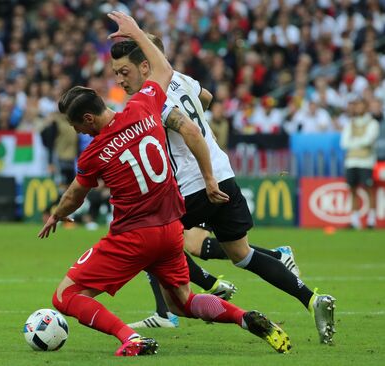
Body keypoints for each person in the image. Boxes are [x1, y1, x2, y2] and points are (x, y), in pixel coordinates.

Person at [39, 11, 291, 357]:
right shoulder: (143, 107)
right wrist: (138, 33)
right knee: (183, 303)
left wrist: (56, 214)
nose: (76, 132)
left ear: (87, 118)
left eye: (75, 125)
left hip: (133, 236)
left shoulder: (93, 153)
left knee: (65, 296)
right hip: (171, 231)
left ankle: (130, 338)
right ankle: (244, 318)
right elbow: (164, 72)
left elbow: (74, 196)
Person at [110, 35, 336, 344]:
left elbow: (188, 130)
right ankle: (311, 299)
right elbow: (206, 97)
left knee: (149, 240)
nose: (120, 80)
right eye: (116, 74)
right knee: (241, 254)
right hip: (224, 174)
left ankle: (200, 291)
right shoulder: (181, 80)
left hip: (196, 185)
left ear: (146, 65)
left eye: (125, 72)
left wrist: (206, 177)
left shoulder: (155, 99)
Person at [340, 96, 380, 229]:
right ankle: (355, 221)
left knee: (369, 189)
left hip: (366, 161)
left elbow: (369, 140)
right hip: (351, 161)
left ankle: (371, 220)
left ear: (365, 107)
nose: (358, 108)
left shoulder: (372, 123)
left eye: (361, 106)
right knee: (352, 190)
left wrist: (354, 142)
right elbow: (344, 143)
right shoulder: (350, 123)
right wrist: (359, 143)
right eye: (356, 106)